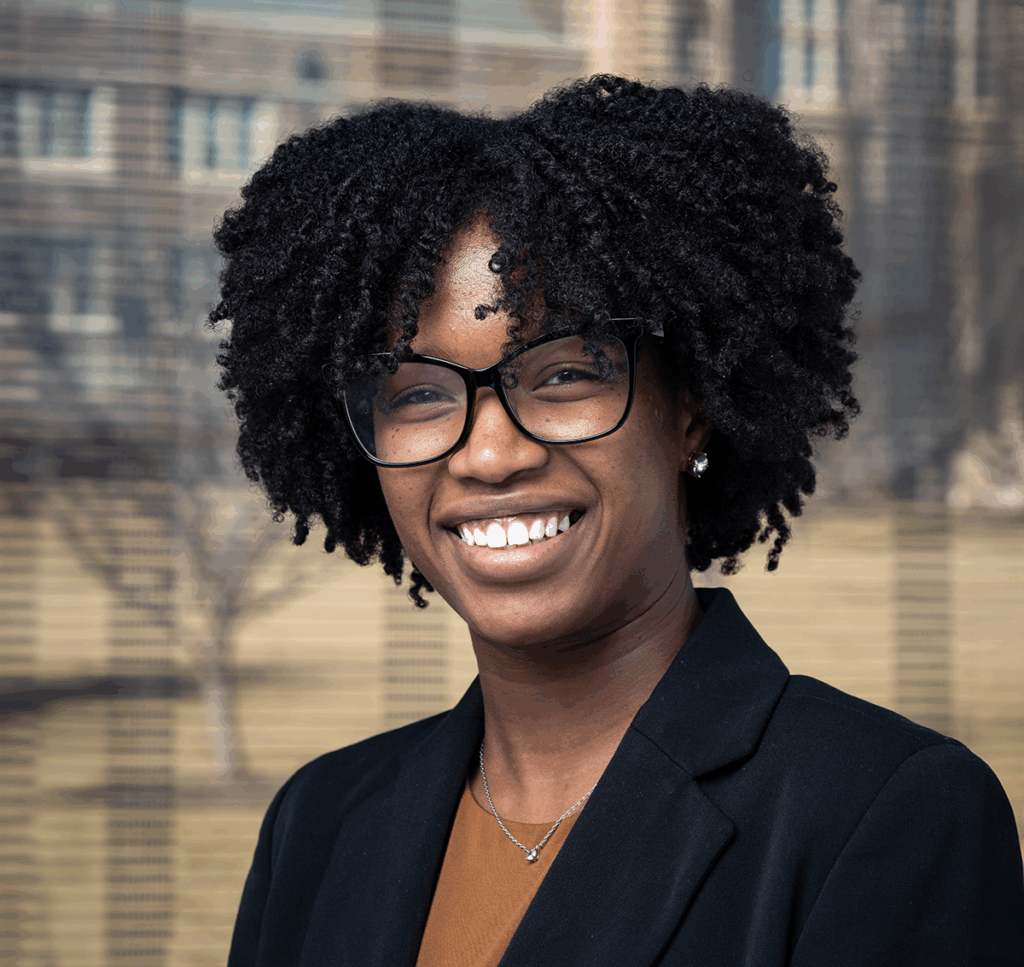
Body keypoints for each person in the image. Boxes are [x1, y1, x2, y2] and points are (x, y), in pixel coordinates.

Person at [212, 76, 1023, 966]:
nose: (488, 454)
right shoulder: (320, 824)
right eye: (417, 393)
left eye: (563, 374)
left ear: (692, 409)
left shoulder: (881, 811)